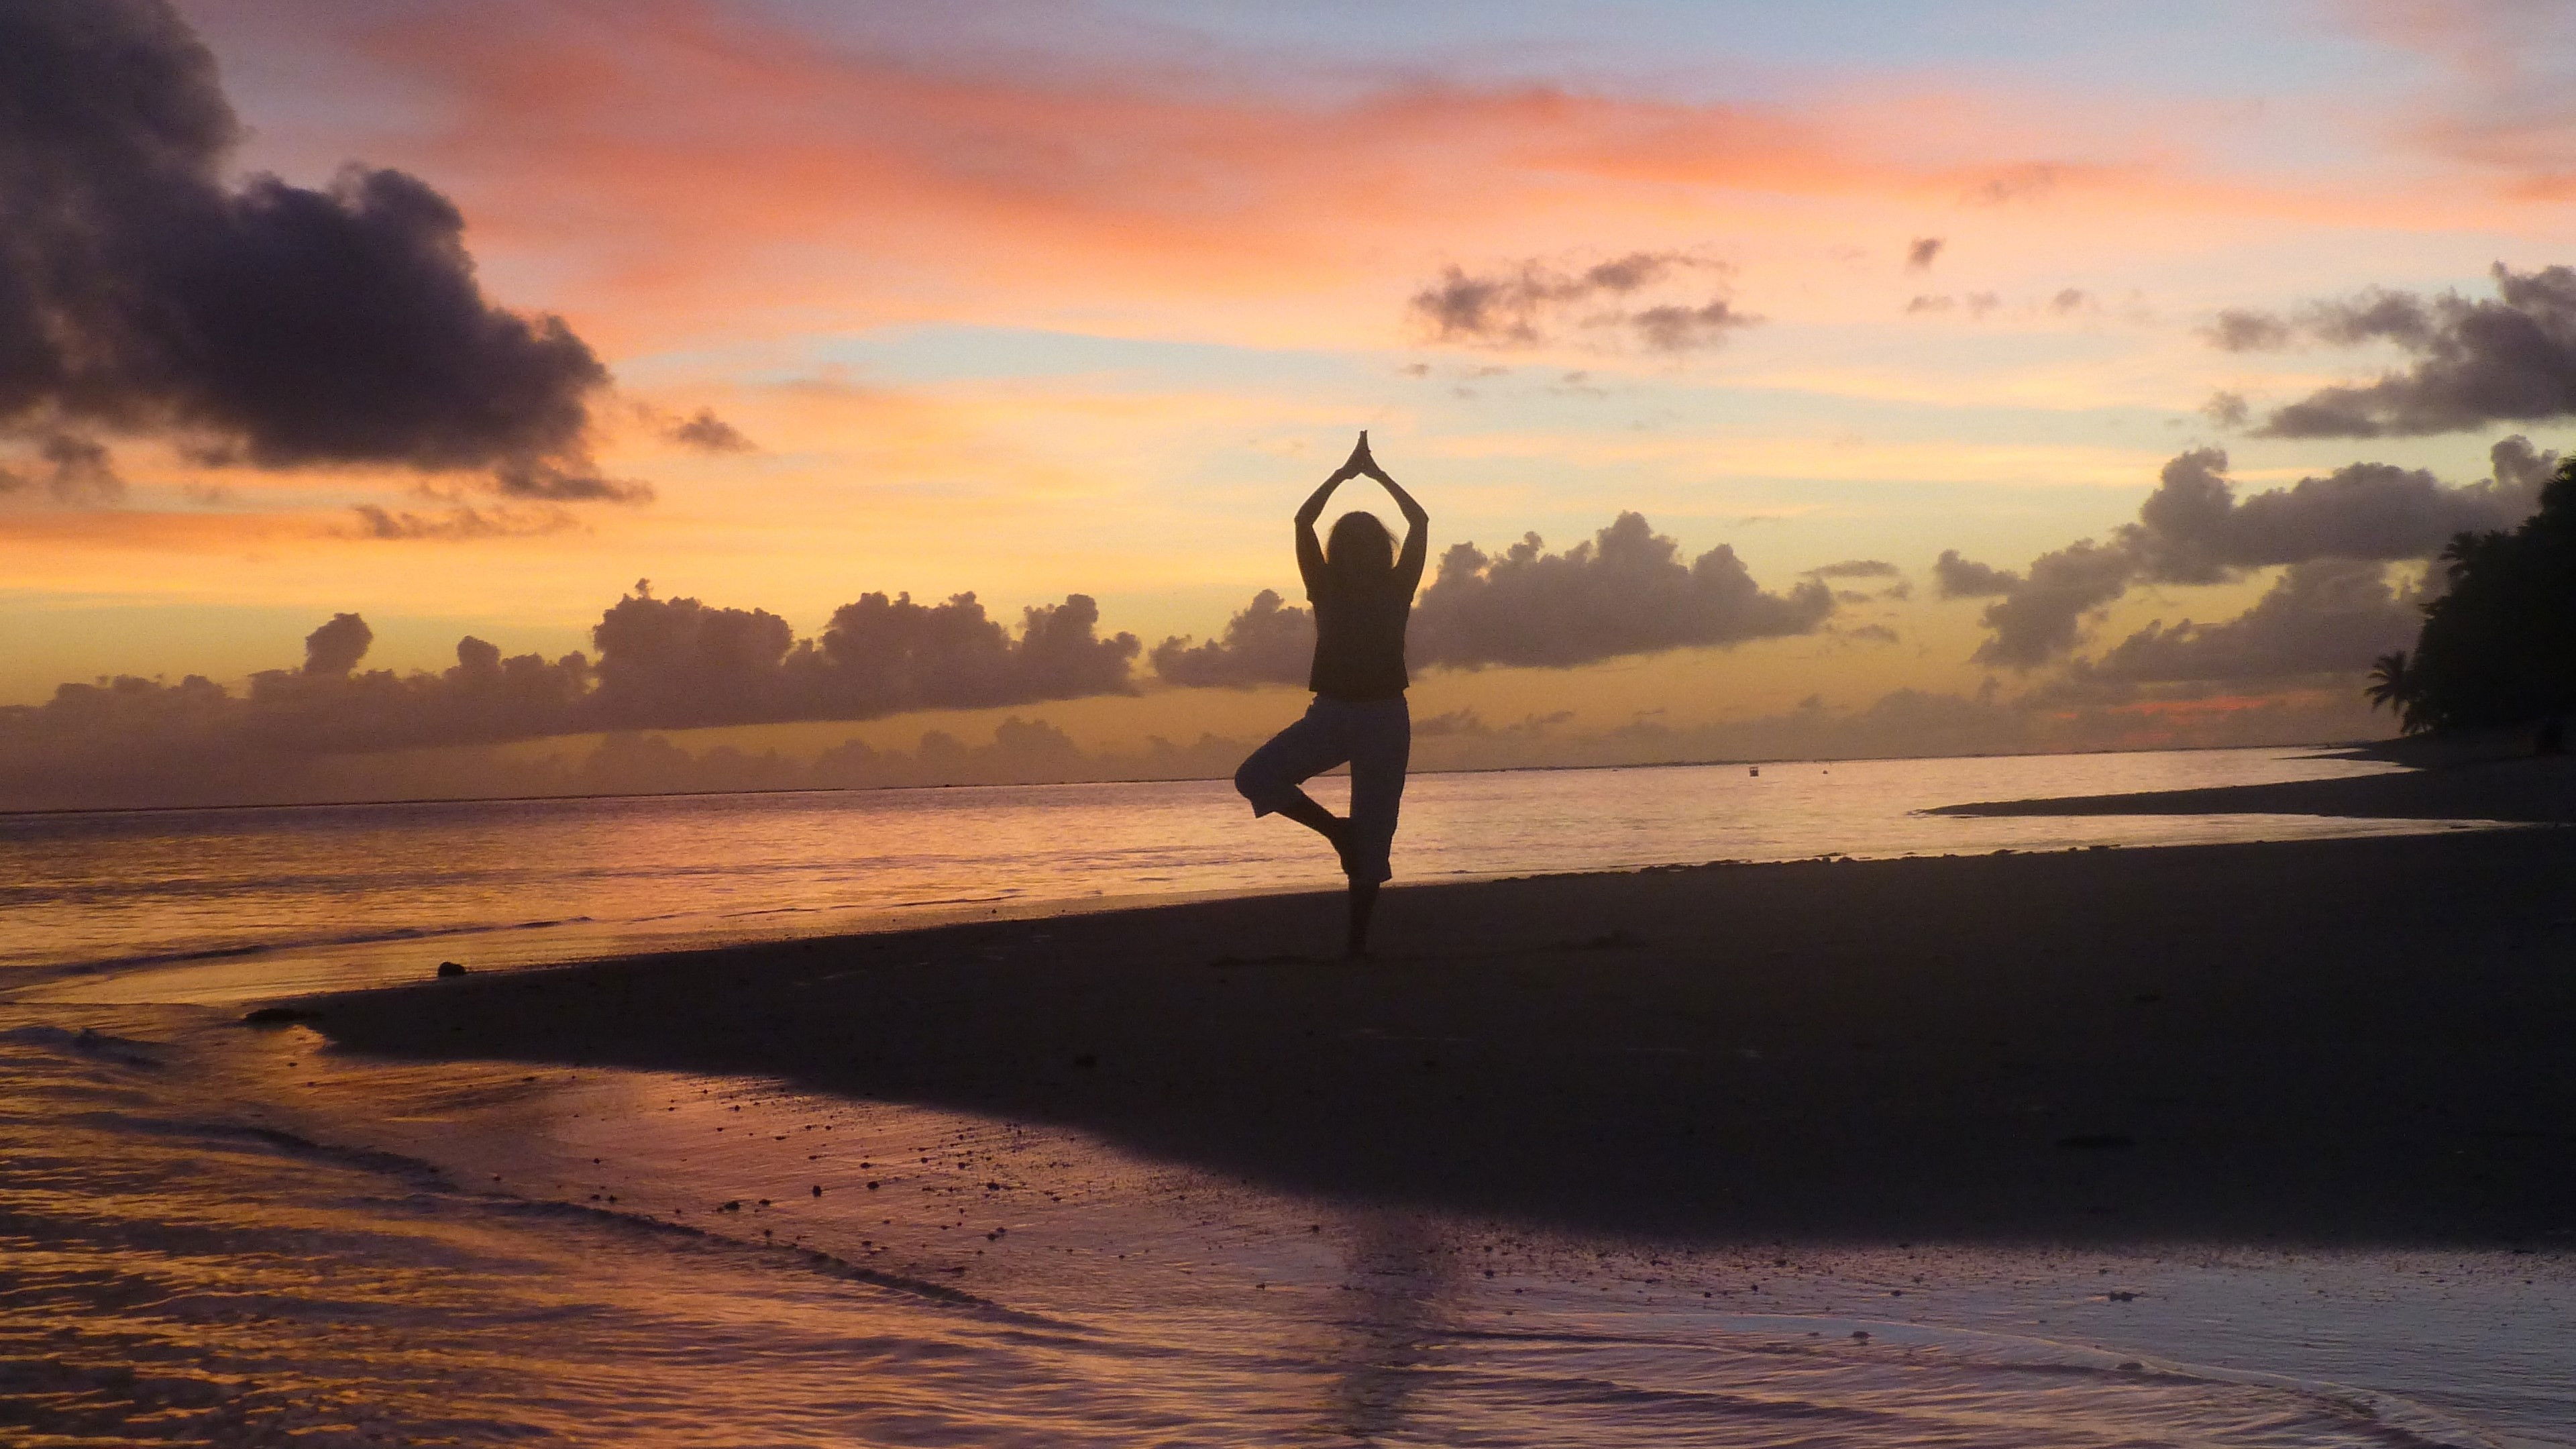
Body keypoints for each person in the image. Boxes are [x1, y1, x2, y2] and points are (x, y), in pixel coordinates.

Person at [1234, 431, 1429, 957]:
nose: (1363, 550)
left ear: (1379, 551)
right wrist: (1345, 475)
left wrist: (1377, 476)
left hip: (1386, 718)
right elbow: (1303, 523)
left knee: (1376, 833)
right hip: (1332, 714)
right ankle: (1334, 834)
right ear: (1341, 550)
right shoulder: (1324, 585)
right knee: (1255, 776)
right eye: (1354, 542)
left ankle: (1356, 948)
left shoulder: (1397, 585)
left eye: (1370, 543)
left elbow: (1420, 523)